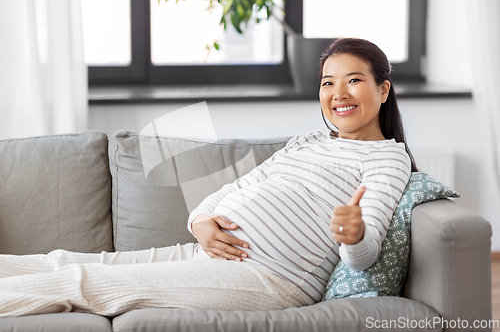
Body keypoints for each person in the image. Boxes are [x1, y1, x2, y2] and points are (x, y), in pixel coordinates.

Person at [0, 38, 417, 317]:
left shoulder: (387, 159)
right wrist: (199, 222)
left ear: (382, 90)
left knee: (86, 282)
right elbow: (233, 189)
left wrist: (353, 236)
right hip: (214, 253)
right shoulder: (308, 141)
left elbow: (364, 255)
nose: (338, 93)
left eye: (354, 80)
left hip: (270, 278)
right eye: (328, 82)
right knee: (64, 261)